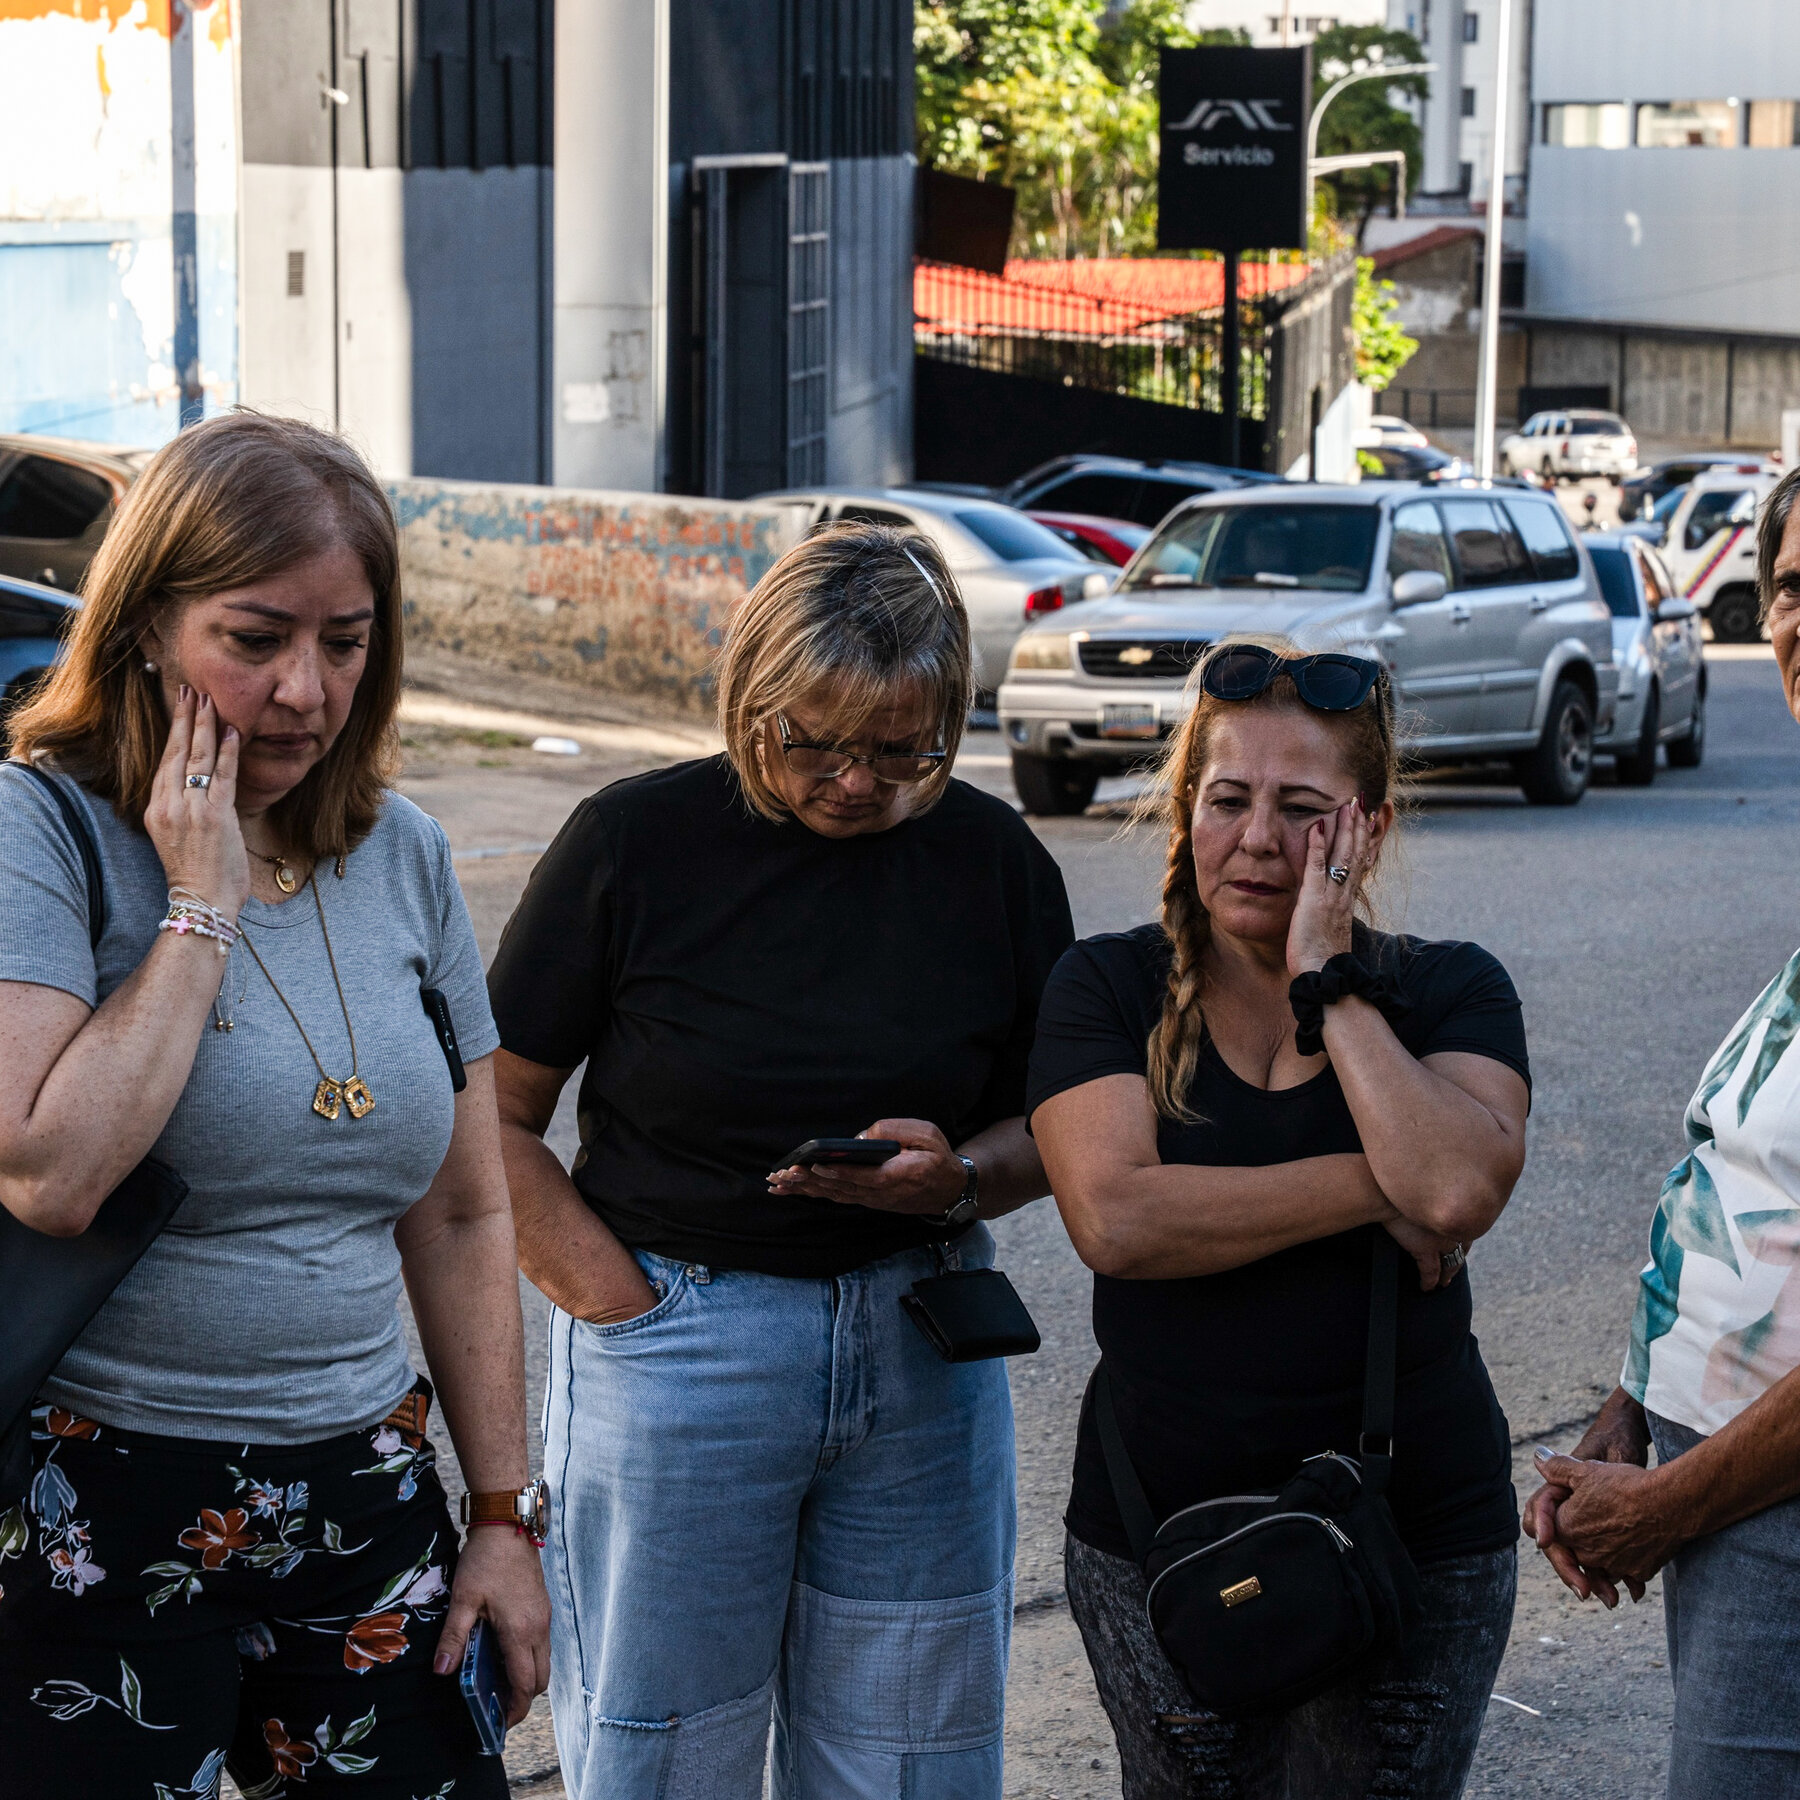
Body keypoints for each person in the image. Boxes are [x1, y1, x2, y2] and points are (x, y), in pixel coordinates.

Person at [0, 412, 549, 1798]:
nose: (305, 692)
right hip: (95, 1514)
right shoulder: (40, 829)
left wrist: (502, 1517)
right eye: (254, 640)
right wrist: (197, 904)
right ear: (145, 628)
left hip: (365, 1494)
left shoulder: (405, 852)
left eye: (346, 641)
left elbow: (470, 1208)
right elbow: (50, 1175)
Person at [487, 522, 1075, 1799]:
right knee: (662, 1754)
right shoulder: (631, 845)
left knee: (912, 1761)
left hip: (923, 1357)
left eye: (898, 748)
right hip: (679, 1342)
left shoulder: (996, 865)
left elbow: (1061, 1126)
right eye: (811, 739)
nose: (855, 781)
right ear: (750, 696)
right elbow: (488, 1120)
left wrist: (962, 1179)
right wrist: (619, 1308)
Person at [1028, 639, 1533, 1799]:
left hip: (1416, 1543)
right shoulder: (1104, 988)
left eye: (1302, 810)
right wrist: (1375, 1185)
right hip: (1161, 1541)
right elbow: (1116, 1218)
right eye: (1227, 800)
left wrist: (1328, 973)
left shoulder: (1451, 988)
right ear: (1184, 808)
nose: (1256, 840)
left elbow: (1457, 1190)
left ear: (1367, 829)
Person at [1525, 462, 1800, 1799]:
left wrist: (1675, 1508)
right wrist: (1631, 1410)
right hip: (1732, 1473)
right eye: (1795, 587)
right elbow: (1747, 1190)